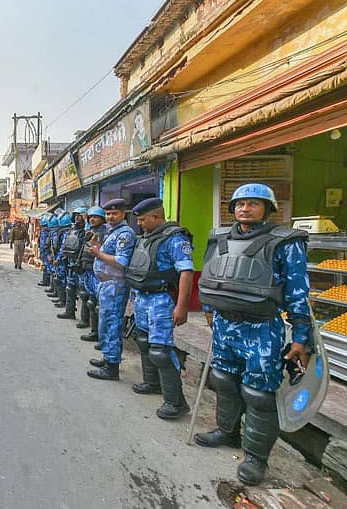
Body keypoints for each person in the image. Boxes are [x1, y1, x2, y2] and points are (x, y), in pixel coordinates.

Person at [194, 183, 311, 486]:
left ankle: (256, 458)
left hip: (262, 328)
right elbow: (211, 274)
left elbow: (298, 291)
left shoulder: (284, 242)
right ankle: (227, 432)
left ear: (268, 209)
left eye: (254, 203)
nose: (245, 208)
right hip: (224, 324)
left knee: (258, 394)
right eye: (240, 204)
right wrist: (208, 308)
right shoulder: (218, 237)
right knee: (224, 380)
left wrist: (301, 337)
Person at [126, 198, 194, 420]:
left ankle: (176, 403)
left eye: (144, 220)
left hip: (161, 300)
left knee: (161, 351)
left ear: (156, 217)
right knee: (144, 341)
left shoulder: (174, 238)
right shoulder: (146, 238)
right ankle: (151, 382)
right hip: (144, 298)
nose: (140, 224)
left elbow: (186, 272)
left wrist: (182, 306)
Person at [87, 199, 136, 381]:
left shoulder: (125, 234)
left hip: (115, 285)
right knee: (105, 322)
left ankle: (112, 367)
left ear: (124, 214)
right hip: (106, 284)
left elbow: (121, 262)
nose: (110, 217)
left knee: (112, 324)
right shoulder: (112, 233)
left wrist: (98, 254)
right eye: (107, 214)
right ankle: (108, 357)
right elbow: (110, 255)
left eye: (114, 213)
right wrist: (99, 248)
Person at [77, 207, 106, 340]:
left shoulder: (105, 233)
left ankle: (99, 334)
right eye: (90, 217)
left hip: (98, 272)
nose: (93, 219)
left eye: (96, 217)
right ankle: (93, 330)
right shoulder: (90, 231)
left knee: (97, 304)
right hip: (87, 269)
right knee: (89, 300)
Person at [57, 207, 87, 319]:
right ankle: (69, 311)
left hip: (82, 266)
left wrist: (86, 220)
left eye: (80, 216)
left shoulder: (87, 231)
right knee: (70, 287)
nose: (77, 219)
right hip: (71, 263)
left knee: (85, 294)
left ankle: (85, 320)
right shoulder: (72, 230)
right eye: (75, 216)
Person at [52, 212, 73, 309]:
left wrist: (58, 258)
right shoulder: (64, 231)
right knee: (60, 278)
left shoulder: (66, 232)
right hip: (62, 258)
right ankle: (61, 299)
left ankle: (63, 301)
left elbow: (62, 248)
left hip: (63, 259)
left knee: (63, 280)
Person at [37, 214, 52, 287]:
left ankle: (46, 281)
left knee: (47, 266)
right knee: (46, 266)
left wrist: (41, 252)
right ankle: (46, 281)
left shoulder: (45, 231)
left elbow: (43, 244)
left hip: (46, 251)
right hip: (46, 251)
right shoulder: (47, 231)